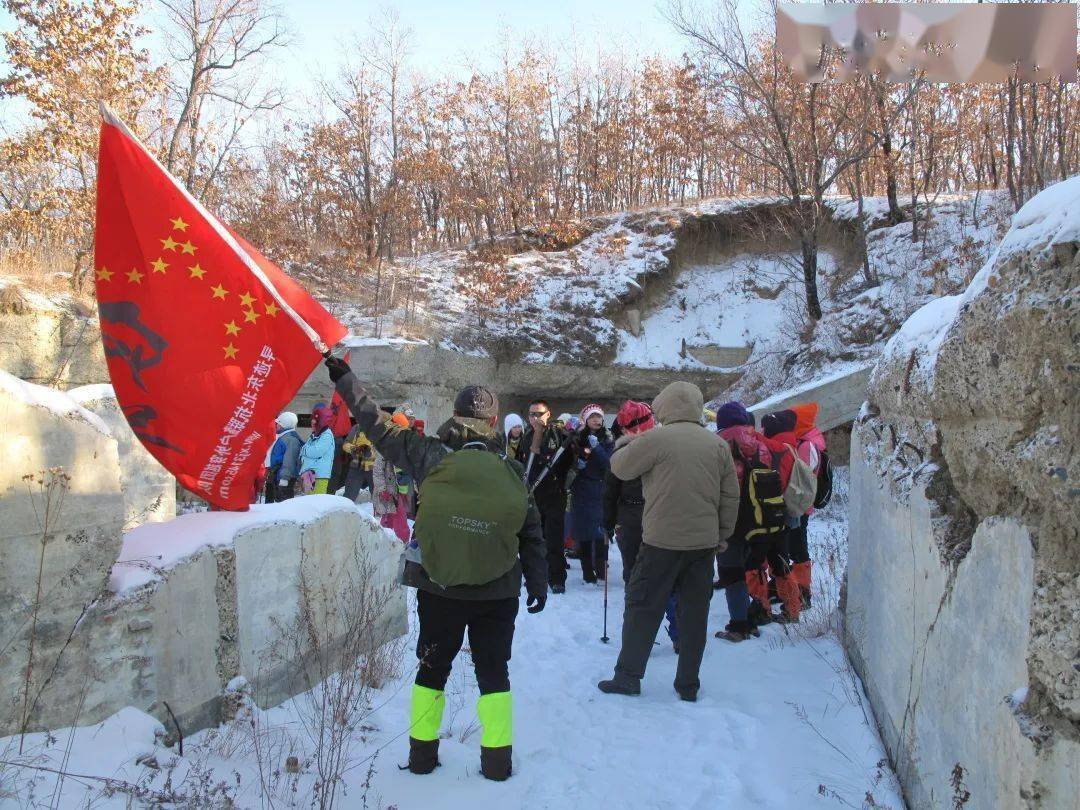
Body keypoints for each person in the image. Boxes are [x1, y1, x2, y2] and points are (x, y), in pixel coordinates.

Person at [325, 355, 547, 782]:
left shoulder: (429, 454)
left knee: (431, 670)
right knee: (494, 673)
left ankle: (423, 757)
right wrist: (536, 582)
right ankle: (497, 763)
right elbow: (530, 530)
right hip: (498, 591)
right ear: (494, 420)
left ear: (455, 416)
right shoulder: (511, 469)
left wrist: (345, 379)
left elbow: (376, 424)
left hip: (439, 587)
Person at [597, 382, 739, 702]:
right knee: (694, 613)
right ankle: (688, 684)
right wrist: (721, 535)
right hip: (703, 545)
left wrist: (627, 442)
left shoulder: (656, 439)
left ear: (665, 407)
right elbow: (730, 495)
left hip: (660, 542)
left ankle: (628, 677)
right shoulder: (715, 444)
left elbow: (619, 467)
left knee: (642, 606)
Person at [603, 401, 679, 650]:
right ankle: (679, 633)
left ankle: (637, 639)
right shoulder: (669, 448)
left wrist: (607, 524)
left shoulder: (620, 456)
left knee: (635, 577)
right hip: (661, 516)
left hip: (630, 517)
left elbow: (609, 494)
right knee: (666, 575)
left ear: (624, 429)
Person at [713, 401, 771, 642]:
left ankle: (739, 625)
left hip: (729, 517)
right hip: (758, 517)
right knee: (750, 567)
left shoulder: (717, 445)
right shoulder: (760, 444)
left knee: (731, 572)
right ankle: (750, 617)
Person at [516, 399, 573, 594]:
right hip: (533, 494)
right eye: (531, 414)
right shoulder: (527, 436)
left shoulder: (557, 435)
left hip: (554, 494)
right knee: (535, 537)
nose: (535, 418)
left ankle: (557, 578)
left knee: (554, 537)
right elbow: (523, 463)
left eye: (539, 414)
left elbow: (567, 462)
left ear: (548, 414)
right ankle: (537, 575)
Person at [754, 409, 805, 624]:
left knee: (756, 563)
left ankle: (762, 609)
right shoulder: (792, 447)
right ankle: (793, 608)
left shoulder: (776, 447)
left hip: (768, 513)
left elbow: (755, 438)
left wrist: (747, 430)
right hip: (784, 513)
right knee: (782, 562)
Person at [568, 404, 614, 584]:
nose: (596, 420)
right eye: (592, 417)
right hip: (582, 489)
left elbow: (609, 463)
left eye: (599, 417)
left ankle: (602, 571)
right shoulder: (578, 437)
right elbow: (569, 462)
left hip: (601, 488)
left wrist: (597, 448)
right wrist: (576, 465)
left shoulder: (607, 438)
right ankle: (587, 572)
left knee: (601, 532)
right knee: (584, 532)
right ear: (586, 419)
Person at [788, 402, 826, 608]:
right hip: (801, 502)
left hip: (801, 504)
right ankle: (795, 588)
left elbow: (803, 476)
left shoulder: (807, 444)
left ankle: (803, 592)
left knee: (798, 547)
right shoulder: (807, 439)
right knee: (794, 544)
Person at [299, 404, 336, 494]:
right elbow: (306, 450)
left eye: (314, 421)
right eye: (312, 421)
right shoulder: (315, 434)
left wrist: (304, 450)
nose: (312, 423)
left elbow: (315, 452)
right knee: (309, 503)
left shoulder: (326, 435)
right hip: (310, 474)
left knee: (317, 503)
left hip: (319, 476)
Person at [266, 411, 302, 502]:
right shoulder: (285, 437)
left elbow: (289, 460)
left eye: (278, 424)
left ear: (284, 425)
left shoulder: (291, 440)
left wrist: (284, 478)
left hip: (284, 478)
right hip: (277, 474)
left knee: (283, 502)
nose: (276, 425)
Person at [342, 423, 375, 501]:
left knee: (379, 499)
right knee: (349, 497)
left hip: (375, 468)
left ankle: (380, 513)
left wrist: (371, 451)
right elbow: (345, 444)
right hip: (357, 466)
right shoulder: (357, 427)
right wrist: (356, 448)